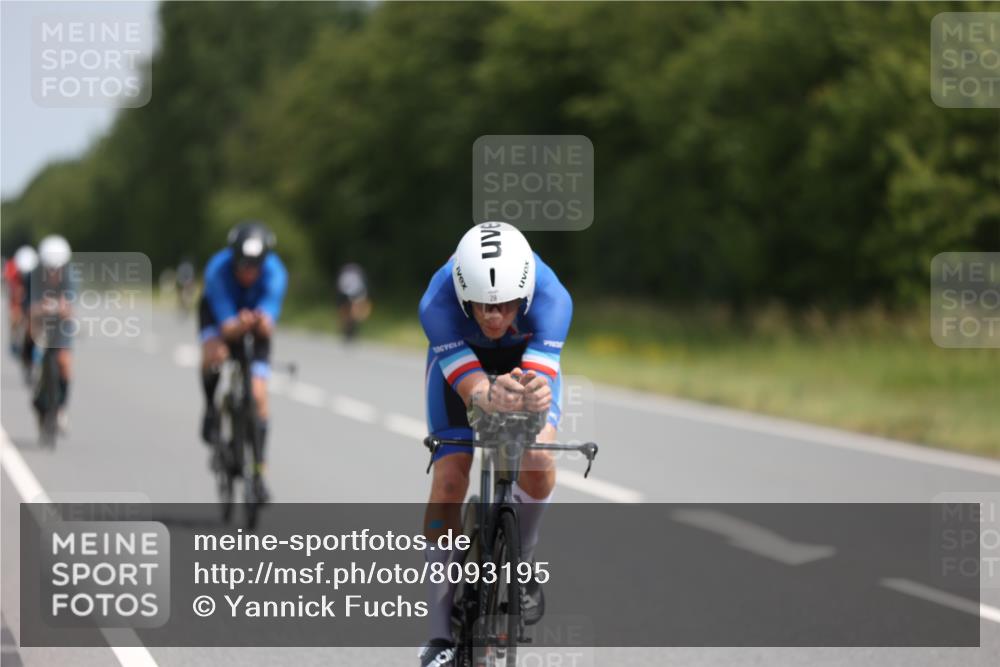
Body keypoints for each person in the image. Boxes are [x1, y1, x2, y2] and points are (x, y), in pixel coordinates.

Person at [417, 222, 572, 667]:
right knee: (449, 478)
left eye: (504, 305)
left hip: (523, 363)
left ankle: (521, 562)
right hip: (462, 370)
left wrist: (534, 391)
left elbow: (536, 381)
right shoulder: (437, 302)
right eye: (482, 306)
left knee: (538, 455)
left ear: (523, 292)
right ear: (464, 292)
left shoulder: (553, 299)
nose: (493, 317)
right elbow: (473, 393)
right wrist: (486, 394)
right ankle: (439, 636)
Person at [198, 221, 287, 502]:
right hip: (220, 316)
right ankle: (211, 408)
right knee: (216, 355)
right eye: (242, 266)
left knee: (258, 395)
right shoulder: (217, 269)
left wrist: (258, 323)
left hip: (254, 321)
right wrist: (237, 326)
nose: (248, 272)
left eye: (254, 267)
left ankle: (259, 471)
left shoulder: (275, 272)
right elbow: (226, 328)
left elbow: (268, 324)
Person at [25, 236, 75, 428]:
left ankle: (61, 408)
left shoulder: (70, 276)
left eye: (58, 268)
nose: (54, 272)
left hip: (60, 321)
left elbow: (69, 307)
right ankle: (34, 370)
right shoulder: (34, 276)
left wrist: (62, 309)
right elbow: (30, 308)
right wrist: (40, 310)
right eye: (49, 268)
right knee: (30, 331)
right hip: (39, 317)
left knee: (64, 361)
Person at [7, 245, 38, 359]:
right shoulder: (12, 269)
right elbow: (14, 292)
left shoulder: (37, 270)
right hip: (17, 293)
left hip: (32, 294)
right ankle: (14, 339)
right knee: (15, 315)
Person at [335, 262, 371, 341]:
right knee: (346, 313)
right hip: (348, 293)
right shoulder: (355, 274)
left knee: (352, 313)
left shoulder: (349, 274)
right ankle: (347, 329)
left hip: (352, 293)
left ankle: (351, 329)